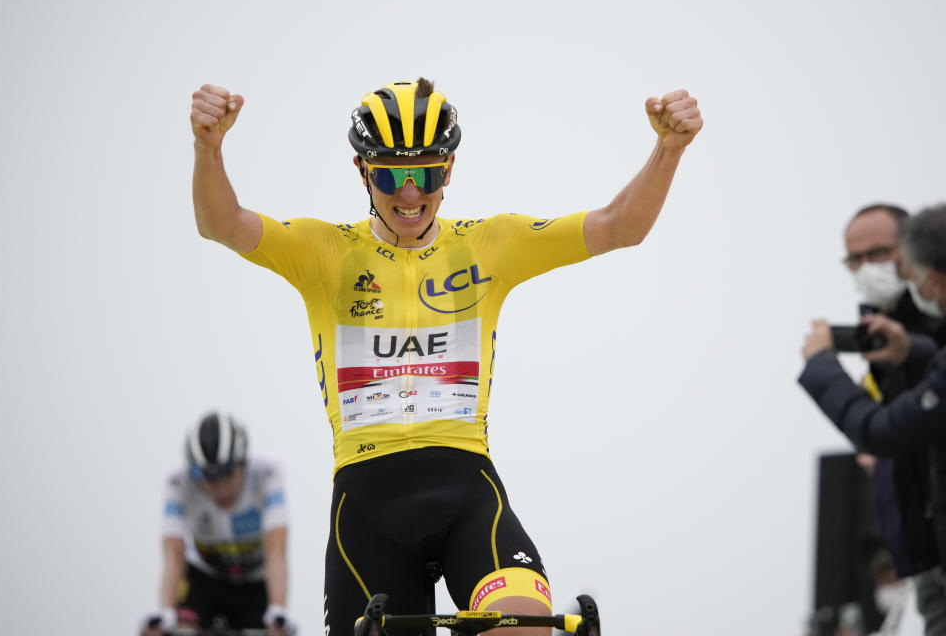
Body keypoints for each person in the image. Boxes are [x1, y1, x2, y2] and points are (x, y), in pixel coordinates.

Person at [188, 78, 703, 636]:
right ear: (362, 171)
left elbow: (619, 226)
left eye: (427, 173)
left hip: (466, 489)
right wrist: (208, 147)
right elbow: (221, 224)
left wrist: (668, 148)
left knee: (526, 625)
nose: (410, 194)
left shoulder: (489, 244)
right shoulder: (325, 252)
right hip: (368, 503)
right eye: (391, 174)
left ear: (450, 169)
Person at [800, 203, 946, 635]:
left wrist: (821, 367)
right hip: (925, 563)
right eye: (855, 260)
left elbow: (881, 433)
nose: (867, 269)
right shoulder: (889, 335)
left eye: (880, 254)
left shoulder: (932, 321)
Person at [141, 412, 295, 635]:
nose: (220, 487)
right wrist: (166, 613)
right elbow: (174, 555)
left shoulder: (267, 474)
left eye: (227, 473)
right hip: (204, 580)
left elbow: (276, 550)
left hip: (255, 583)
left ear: (243, 463)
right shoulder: (178, 482)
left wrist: (278, 610)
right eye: (209, 477)